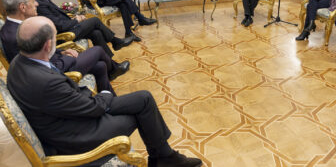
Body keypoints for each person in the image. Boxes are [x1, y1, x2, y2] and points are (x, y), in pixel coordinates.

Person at [7, 16, 202, 167]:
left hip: (66, 117)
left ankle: (164, 157)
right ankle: (165, 158)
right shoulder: (46, 82)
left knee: (144, 99)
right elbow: (92, 108)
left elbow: (67, 100)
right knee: (142, 113)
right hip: (75, 136)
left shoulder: (19, 62)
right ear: (48, 45)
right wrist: (106, 94)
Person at [0, 0, 130, 95]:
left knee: (101, 66)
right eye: (32, 1)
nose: (36, 4)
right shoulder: (17, 35)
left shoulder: (15, 27)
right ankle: (113, 69)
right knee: (97, 51)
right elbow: (43, 68)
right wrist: (69, 57)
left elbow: (39, 51)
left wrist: (61, 52)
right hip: (55, 74)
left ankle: (110, 102)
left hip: (57, 62)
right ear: (22, 7)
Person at [30, 0, 135, 58]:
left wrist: (74, 18)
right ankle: (115, 41)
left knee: (96, 33)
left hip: (67, 27)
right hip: (63, 35)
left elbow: (55, 19)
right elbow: (59, 26)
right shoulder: (39, 3)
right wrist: (77, 20)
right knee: (94, 20)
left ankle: (111, 65)